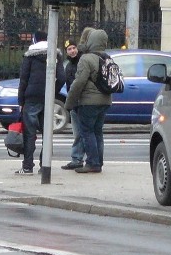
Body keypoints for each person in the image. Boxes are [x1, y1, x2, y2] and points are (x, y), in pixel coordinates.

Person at [16, 30, 65, 174]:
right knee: (47, 133)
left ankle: (27, 166)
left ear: (35, 40)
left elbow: (23, 80)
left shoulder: (29, 55)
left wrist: (21, 101)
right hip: (47, 99)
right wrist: (52, 92)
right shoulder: (55, 55)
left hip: (31, 97)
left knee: (29, 133)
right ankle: (45, 166)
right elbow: (61, 77)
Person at [64, 28, 112, 173]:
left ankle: (92, 163)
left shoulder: (86, 58)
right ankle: (99, 162)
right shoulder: (107, 57)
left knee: (87, 132)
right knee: (98, 132)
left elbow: (78, 83)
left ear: (91, 41)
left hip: (89, 101)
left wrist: (69, 103)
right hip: (105, 100)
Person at [60, 39, 85, 170]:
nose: (72, 50)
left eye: (74, 47)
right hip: (75, 104)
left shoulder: (82, 62)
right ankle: (78, 158)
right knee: (78, 133)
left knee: (80, 133)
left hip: (82, 102)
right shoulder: (69, 66)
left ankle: (77, 159)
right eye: (69, 49)